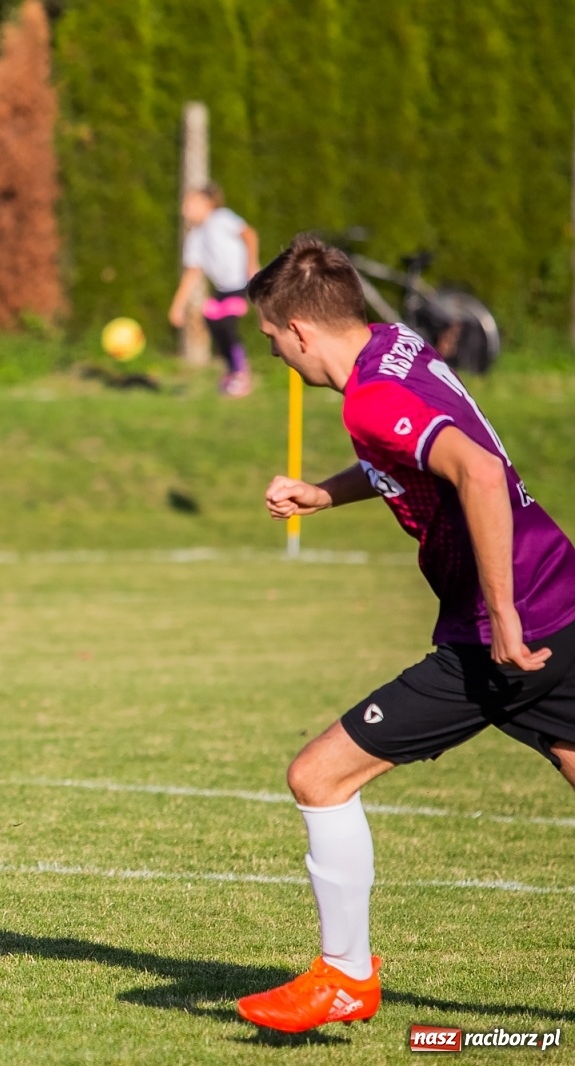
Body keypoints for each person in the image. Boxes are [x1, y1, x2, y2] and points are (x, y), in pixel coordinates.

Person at [236, 235, 575, 1033]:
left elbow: (479, 473)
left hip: (502, 631)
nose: (280, 357)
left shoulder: (367, 399)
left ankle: (346, 976)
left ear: (300, 332)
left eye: (273, 340)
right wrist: (326, 493)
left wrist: (503, 620)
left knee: (319, 777)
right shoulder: (396, 347)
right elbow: (414, 456)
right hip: (562, 590)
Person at [168, 184, 259, 396]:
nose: (184, 209)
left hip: (241, 283)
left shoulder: (223, 218)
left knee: (227, 323)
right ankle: (232, 370)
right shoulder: (195, 237)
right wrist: (177, 307)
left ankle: (242, 375)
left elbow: (250, 235)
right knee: (211, 319)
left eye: (190, 204)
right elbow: (192, 274)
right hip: (223, 288)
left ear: (207, 204)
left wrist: (252, 265)